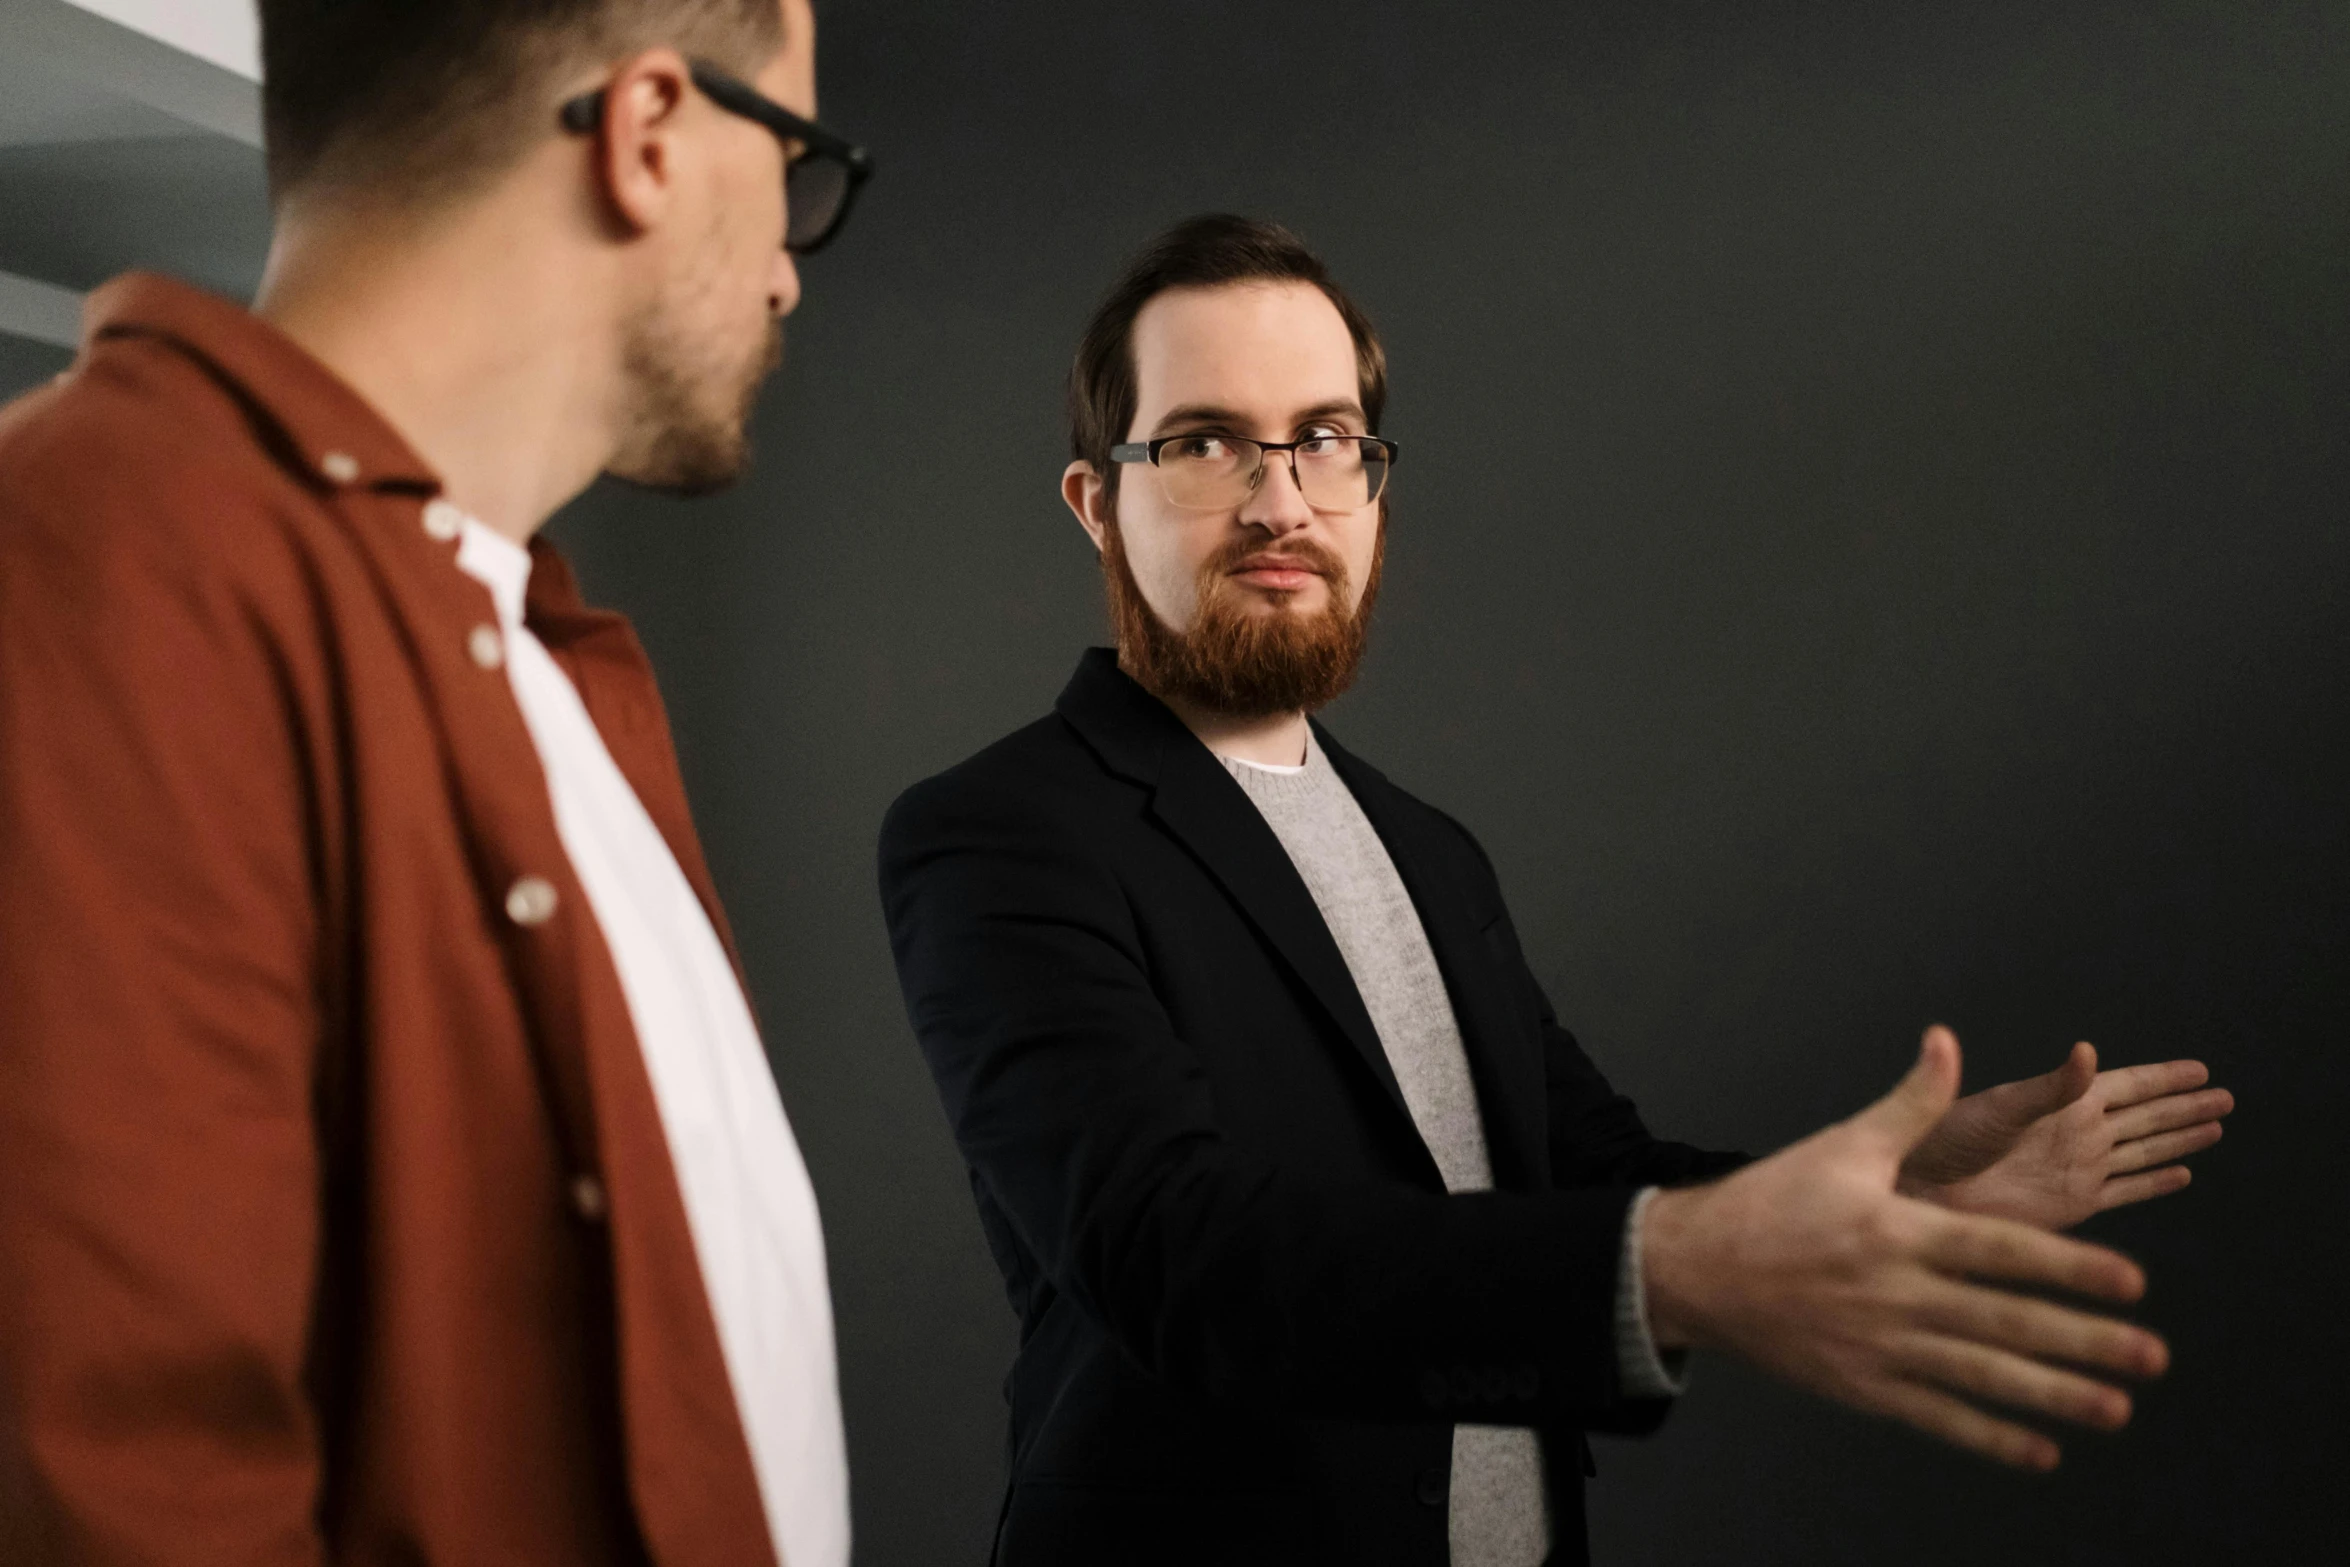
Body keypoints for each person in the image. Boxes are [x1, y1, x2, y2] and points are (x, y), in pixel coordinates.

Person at [876, 215, 2236, 1567]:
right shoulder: (999, 835)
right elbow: (1184, 1260)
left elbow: (1589, 1174)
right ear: (1094, 501)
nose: (1279, 499)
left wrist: (1902, 1191)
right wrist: (1683, 1264)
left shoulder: (1426, 849)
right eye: (1203, 441)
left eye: (1325, 438)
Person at [0, 2, 868, 1562]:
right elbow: (126, 1492)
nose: (793, 259)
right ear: (649, 133)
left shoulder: (541, 655)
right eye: (796, 161)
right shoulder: (95, 569)